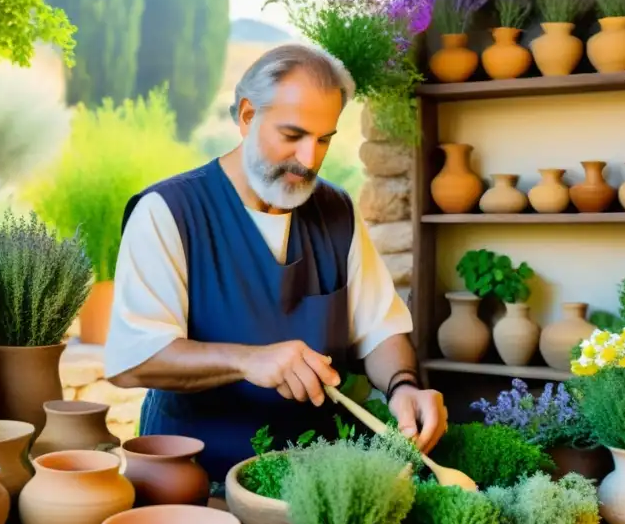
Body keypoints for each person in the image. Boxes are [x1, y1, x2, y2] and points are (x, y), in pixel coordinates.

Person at [104, 43, 447, 480]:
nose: (309, 159)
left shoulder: (336, 211)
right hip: (193, 481)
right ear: (248, 117)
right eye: (293, 136)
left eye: (323, 140)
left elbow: (380, 329)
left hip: (316, 483)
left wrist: (404, 387)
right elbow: (135, 360)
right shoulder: (168, 210)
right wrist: (249, 360)